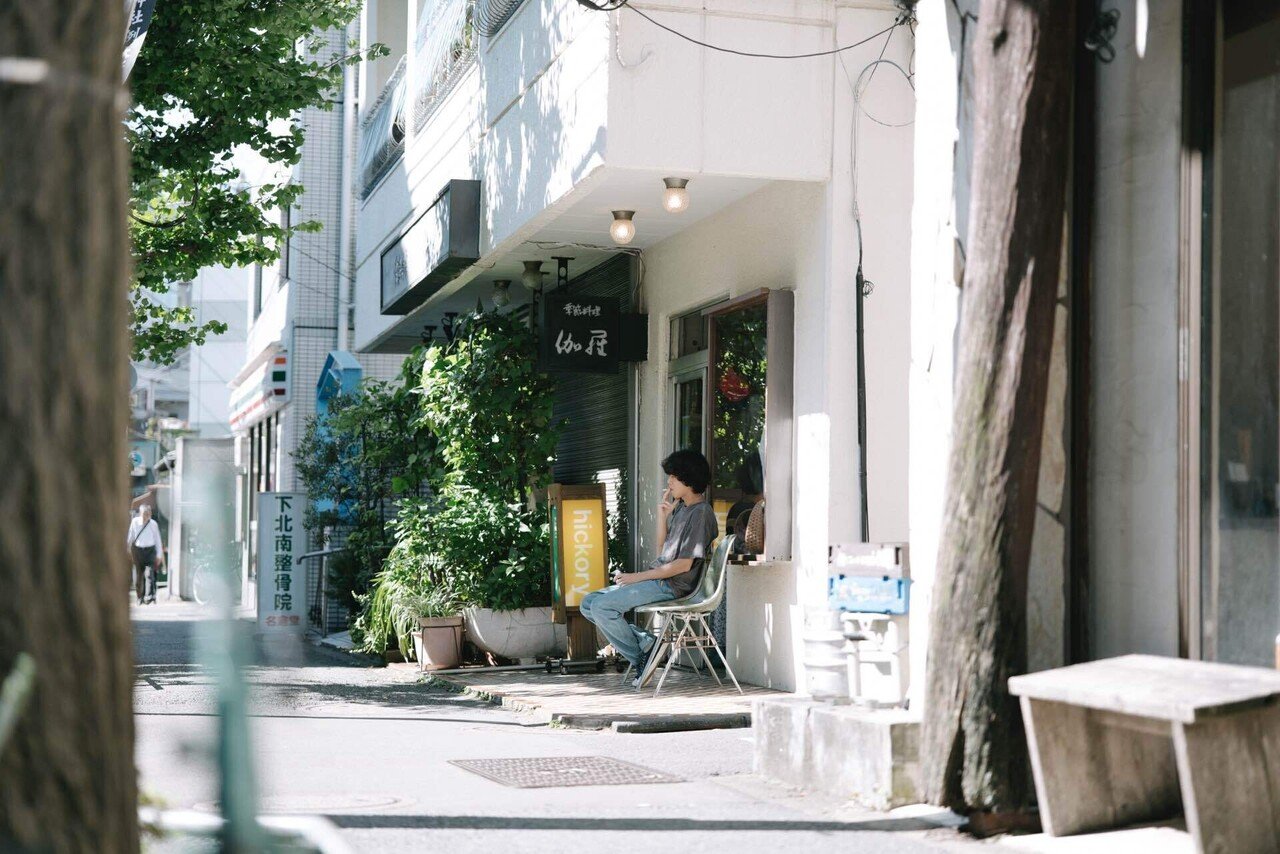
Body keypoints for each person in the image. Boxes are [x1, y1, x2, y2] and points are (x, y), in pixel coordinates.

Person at [579, 449, 718, 686]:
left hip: (674, 586)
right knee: (588, 604)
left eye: (674, 476)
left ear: (689, 478)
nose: (669, 481)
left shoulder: (701, 513)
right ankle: (646, 644)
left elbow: (683, 565)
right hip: (661, 580)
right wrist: (663, 517)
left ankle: (643, 656)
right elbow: (663, 551)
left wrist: (637, 577)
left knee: (602, 607)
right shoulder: (683, 509)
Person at [127, 504, 163, 604]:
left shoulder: (153, 524)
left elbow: (158, 540)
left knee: (149, 574)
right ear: (140, 513)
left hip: (150, 551)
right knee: (138, 576)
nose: (146, 516)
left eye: (148, 514)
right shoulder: (135, 522)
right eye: (144, 514)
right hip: (138, 551)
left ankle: (149, 596)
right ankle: (140, 597)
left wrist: (159, 555)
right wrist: (127, 549)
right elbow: (131, 536)